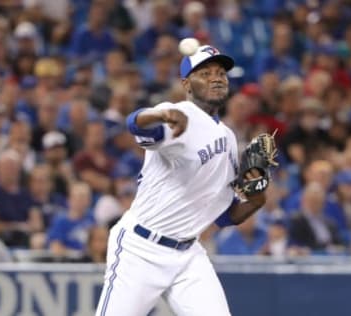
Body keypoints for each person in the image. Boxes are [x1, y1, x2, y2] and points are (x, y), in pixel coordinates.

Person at [96, 45, 268, 316]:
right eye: (206, 73)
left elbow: (225, 216)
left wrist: (257, 200)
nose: (216, 77)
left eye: (221, 73)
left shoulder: (228, 138)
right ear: (186, 84)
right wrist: (160, 115)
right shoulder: (178, 113)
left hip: (188, 254)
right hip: (141, 249)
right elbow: (136, 125)